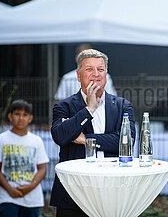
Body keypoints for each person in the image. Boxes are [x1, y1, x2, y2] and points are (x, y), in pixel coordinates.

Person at [50, 49, 136, 217]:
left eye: (101, 69)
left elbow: (126, 141)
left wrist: (86, 139)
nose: (96, 74)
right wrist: (89, 109)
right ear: (78, 74)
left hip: (112, 190)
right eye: (89, 69)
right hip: (74, 192)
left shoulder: (122, 106)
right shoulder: (64, 106)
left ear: (106, 74)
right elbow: (60, 136)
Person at [0, 99, 49, 217]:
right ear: (10, 116)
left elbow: (42, 168)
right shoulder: (0, 139)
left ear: (30, 118)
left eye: (25, 115)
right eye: (17, 114)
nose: (21, 118)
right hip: (7, 198)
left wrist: (30, 186)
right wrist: (9, 189)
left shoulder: (36, 141)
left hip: (32, 199)